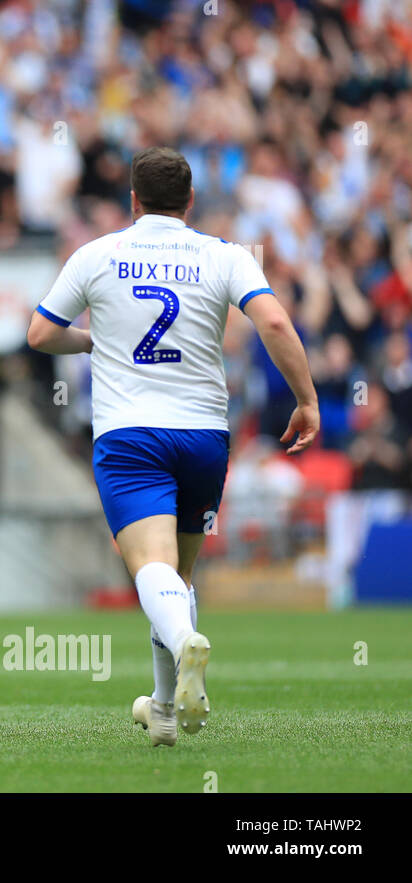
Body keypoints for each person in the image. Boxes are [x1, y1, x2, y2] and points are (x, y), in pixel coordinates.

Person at [26, 146, 319, 746]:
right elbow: (276, 324)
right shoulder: (223, 255)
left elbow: (40, 333)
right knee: (178, 576)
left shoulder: (98, 254)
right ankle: (162, 710)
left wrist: (93, 343)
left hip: (130, 434)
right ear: (190, 202)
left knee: (151, 569)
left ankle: (186, 642)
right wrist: (307, 400)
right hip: (205, 436)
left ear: (133, 200)